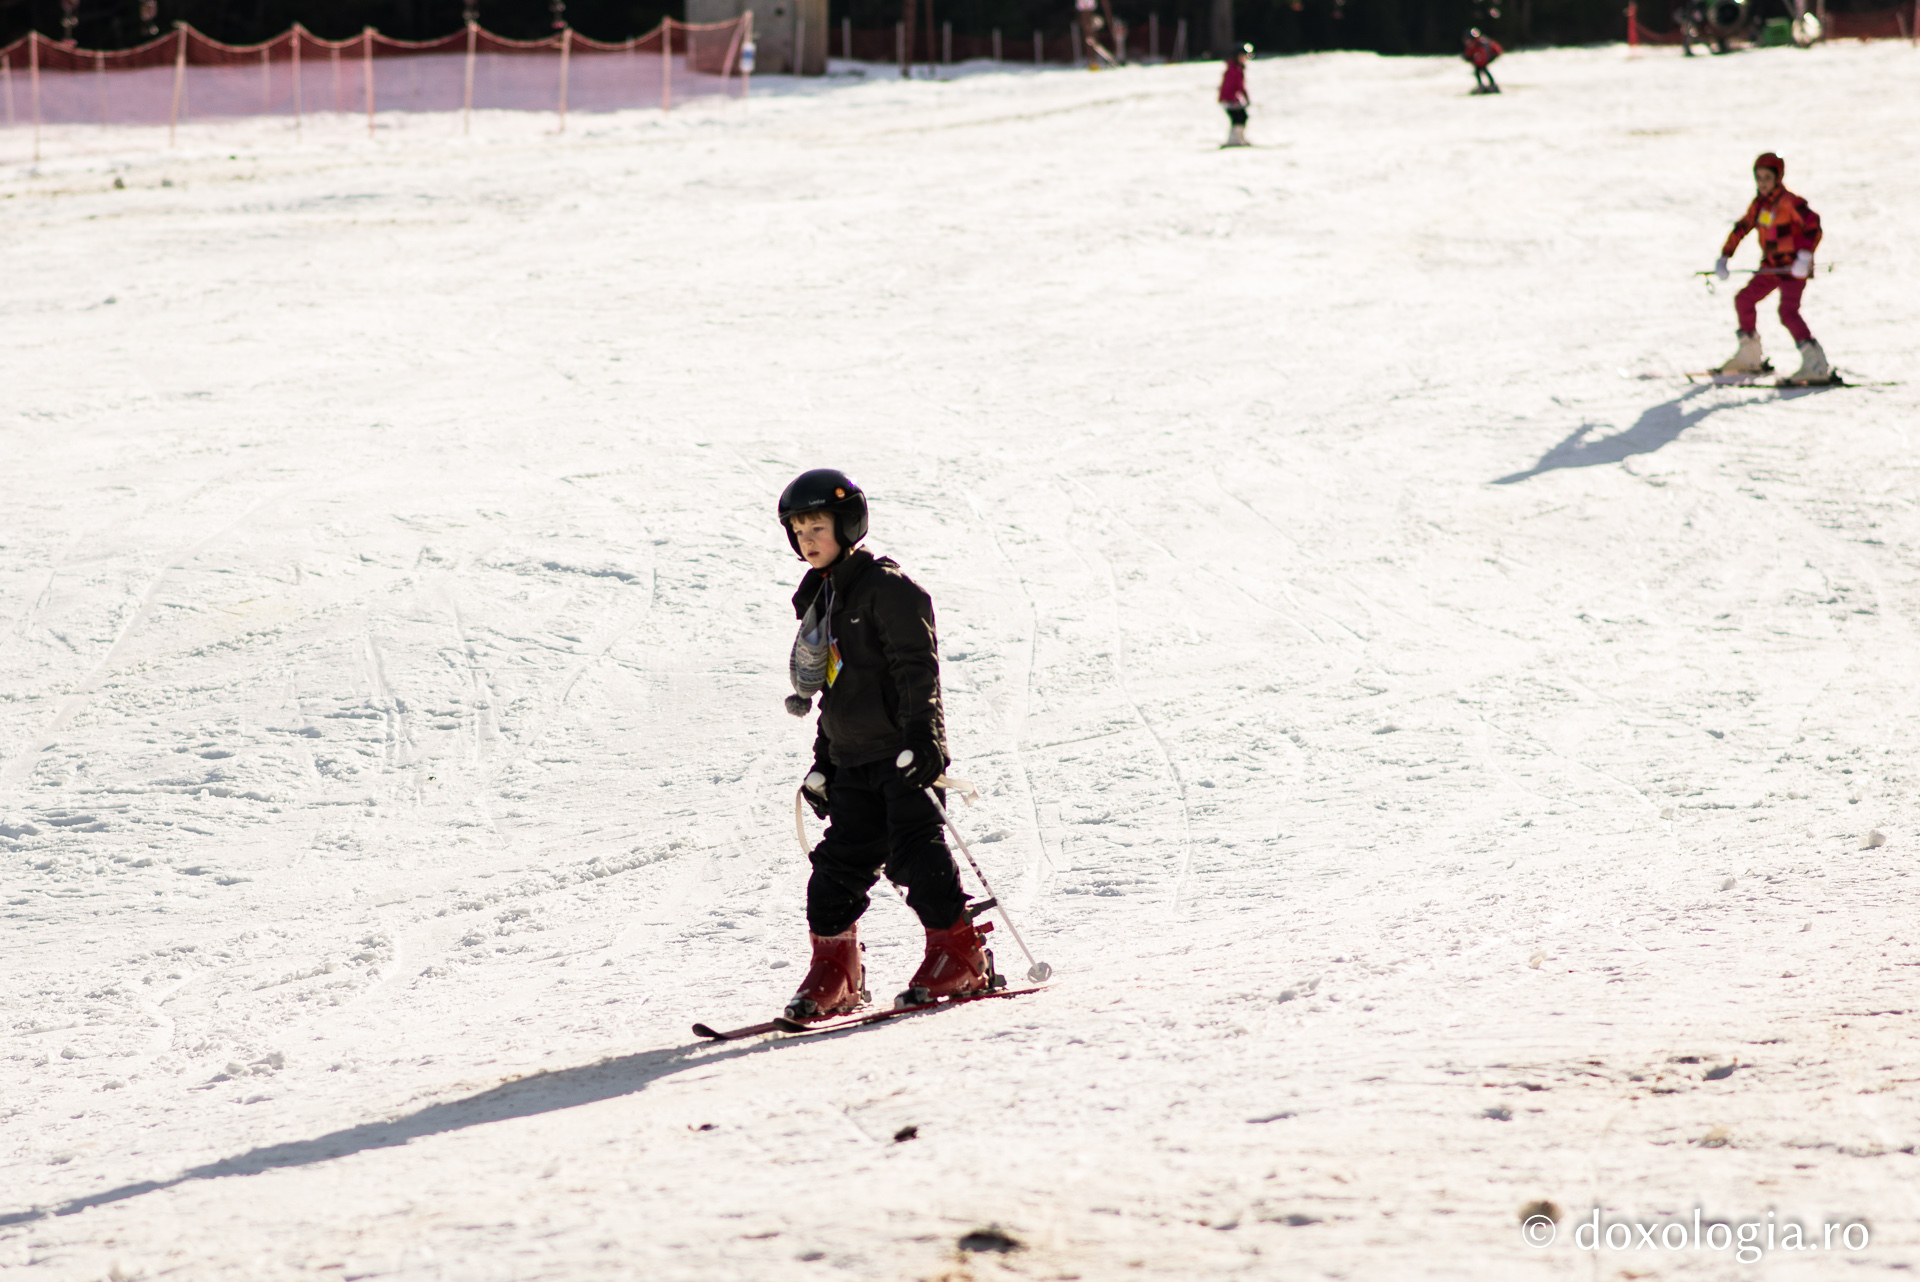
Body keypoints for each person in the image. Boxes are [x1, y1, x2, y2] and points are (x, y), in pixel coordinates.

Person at [776, 468, 993, 1022]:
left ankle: (960, 953)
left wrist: (925, 742)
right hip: (850, 762)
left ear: (849, 525)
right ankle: (837, 971)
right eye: (798, 531)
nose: (808, 540)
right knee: (832, 876)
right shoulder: (819, 599)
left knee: (916, 859)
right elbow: (833, 688)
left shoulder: (888, 590)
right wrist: (823, 764)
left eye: (817, 527)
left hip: (899, 757)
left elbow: (917, 671)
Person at [1712, 152, 1830, 383]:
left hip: (1792, 268)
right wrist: (1725, 256)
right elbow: (1742, 228)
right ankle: (1750, 356)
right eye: (1758, 177)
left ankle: (1816, 365)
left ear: (1778, 177)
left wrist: (1805, 256)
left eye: (1767, 177)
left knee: (1787, 312)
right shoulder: (1760, 205)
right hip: (1771, 267)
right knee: (1744, 300)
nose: (1762, 182)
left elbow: (1813, 225)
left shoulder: (1789, 201)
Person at [1218, 44, 1251, 148]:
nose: (1244, 58)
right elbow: (1227, 87)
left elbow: (1241, 87)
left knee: (1242, 116)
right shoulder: (1232, 70)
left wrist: (1246, 97)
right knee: (1238, 117)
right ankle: (1234, 140)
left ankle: (1239, 138)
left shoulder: (1238, 69)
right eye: (1242, 56)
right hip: (1228, 99)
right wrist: (1232, 99)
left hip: (1233, 99)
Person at [1463, 28, 1502, 93]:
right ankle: (1484, 84)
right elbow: (1470, 54)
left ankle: (1491, 85)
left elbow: (1482, 57)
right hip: (1484, 57)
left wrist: (1474, 61)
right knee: (1478, 70)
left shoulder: (1481, 44)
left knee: (1482, 68)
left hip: (1492, 54)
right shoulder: (1473, 45)